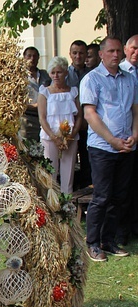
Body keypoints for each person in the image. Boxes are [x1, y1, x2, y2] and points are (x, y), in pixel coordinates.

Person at [80, 36, 138, 261]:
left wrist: (134, 135)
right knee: (102, 197)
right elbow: (90, 114)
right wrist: (112, 140)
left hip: (126, 147)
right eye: (111, 51)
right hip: (103, 147)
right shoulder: (92, 79)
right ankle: (93, 243)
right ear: (101, 54)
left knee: (119, 197)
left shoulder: (129, 79)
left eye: (118, 52)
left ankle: (109, 240)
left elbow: (135, 110)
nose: (115, 55)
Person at [38, 56, 82, 194]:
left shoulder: (73, 92)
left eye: (59, 72)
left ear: (66, 72)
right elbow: (42, 118)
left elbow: (79, 116)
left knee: (68, 173)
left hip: (70, 137)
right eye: (53, 72)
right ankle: (52, 207)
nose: (56, 75)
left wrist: (71, 136)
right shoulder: (44, 92)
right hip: (50, 137)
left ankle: (67, 206)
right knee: (50, 173)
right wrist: (54, 137)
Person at [117, 34, 138, 244]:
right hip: (124, 138)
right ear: (126, 49)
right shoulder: (120, 72)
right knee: (124, 188)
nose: (136, 52)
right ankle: (122, 231)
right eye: (134, 48)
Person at [67, 40, 92, 189]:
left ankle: (87, 187)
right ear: (70, 54)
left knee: (87, 159)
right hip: (68, 124)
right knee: (68, 161)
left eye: (81, 53)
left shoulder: (92, 74)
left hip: (88, 124)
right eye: (75, 53)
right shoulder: (64, 74)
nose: (78, 56)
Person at [19, 47, 51, 142]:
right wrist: (34, 106)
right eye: (29, 56)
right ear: (24, 58)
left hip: (45, 118)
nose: (32, 58)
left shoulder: (45, 75)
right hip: (27, 119)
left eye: (35, 56)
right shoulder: (19, 76)